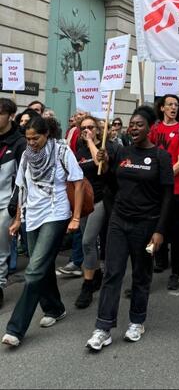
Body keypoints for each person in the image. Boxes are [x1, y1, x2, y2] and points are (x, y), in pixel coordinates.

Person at [85, 106, 174, 351]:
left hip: (146, 226)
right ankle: (103, 328)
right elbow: (112, 184)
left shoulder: (161, 157)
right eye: (131, 124)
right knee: (112, 273)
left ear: (150, 128)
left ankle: (137, 321)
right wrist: (103, 165)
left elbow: (168, 196)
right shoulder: (122, 152)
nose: (133, 128)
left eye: (139, 124)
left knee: (141, 274)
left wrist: (159, 230)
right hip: (119, 223)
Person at [2, 116, 84, 347]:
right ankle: (55, 308)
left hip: (55, 213)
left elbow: (78, 182)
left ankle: (15, 329)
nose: (31, 143)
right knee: (44, 265)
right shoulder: (27, 156)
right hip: (32, 216)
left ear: (47, 134)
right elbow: (22, 189)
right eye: (27, 138)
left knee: (34, 268)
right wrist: (18, 219)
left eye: (35, 138)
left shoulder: (61, 151)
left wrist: (76, 217)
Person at [150, 94, 179, 290]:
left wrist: (164, 177)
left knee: (177, 232)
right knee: (158, 226)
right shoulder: (153, 129)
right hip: (155, 189)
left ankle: (176, 272)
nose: (173, 108)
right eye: (170, 105)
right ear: (162, 108)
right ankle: (160, 259)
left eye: (176, 105)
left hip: (175, 189)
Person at [73, 115, 116, 309]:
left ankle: (87, 285)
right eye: (83, 128)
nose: (86, 130)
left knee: (88, 241)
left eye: (90, 127)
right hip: (84, 202)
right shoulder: (79, 151)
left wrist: (91, 141)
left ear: (98, 129)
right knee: (87, 243)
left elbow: (102, 166)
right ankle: (96, 272)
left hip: (100, 200)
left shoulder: (106, 147)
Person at [0, 99, 26, 309]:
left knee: (1, 248)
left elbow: (22, 177)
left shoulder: (19, 142)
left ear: (10, 115)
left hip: (5, 203)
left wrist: (15, 204)